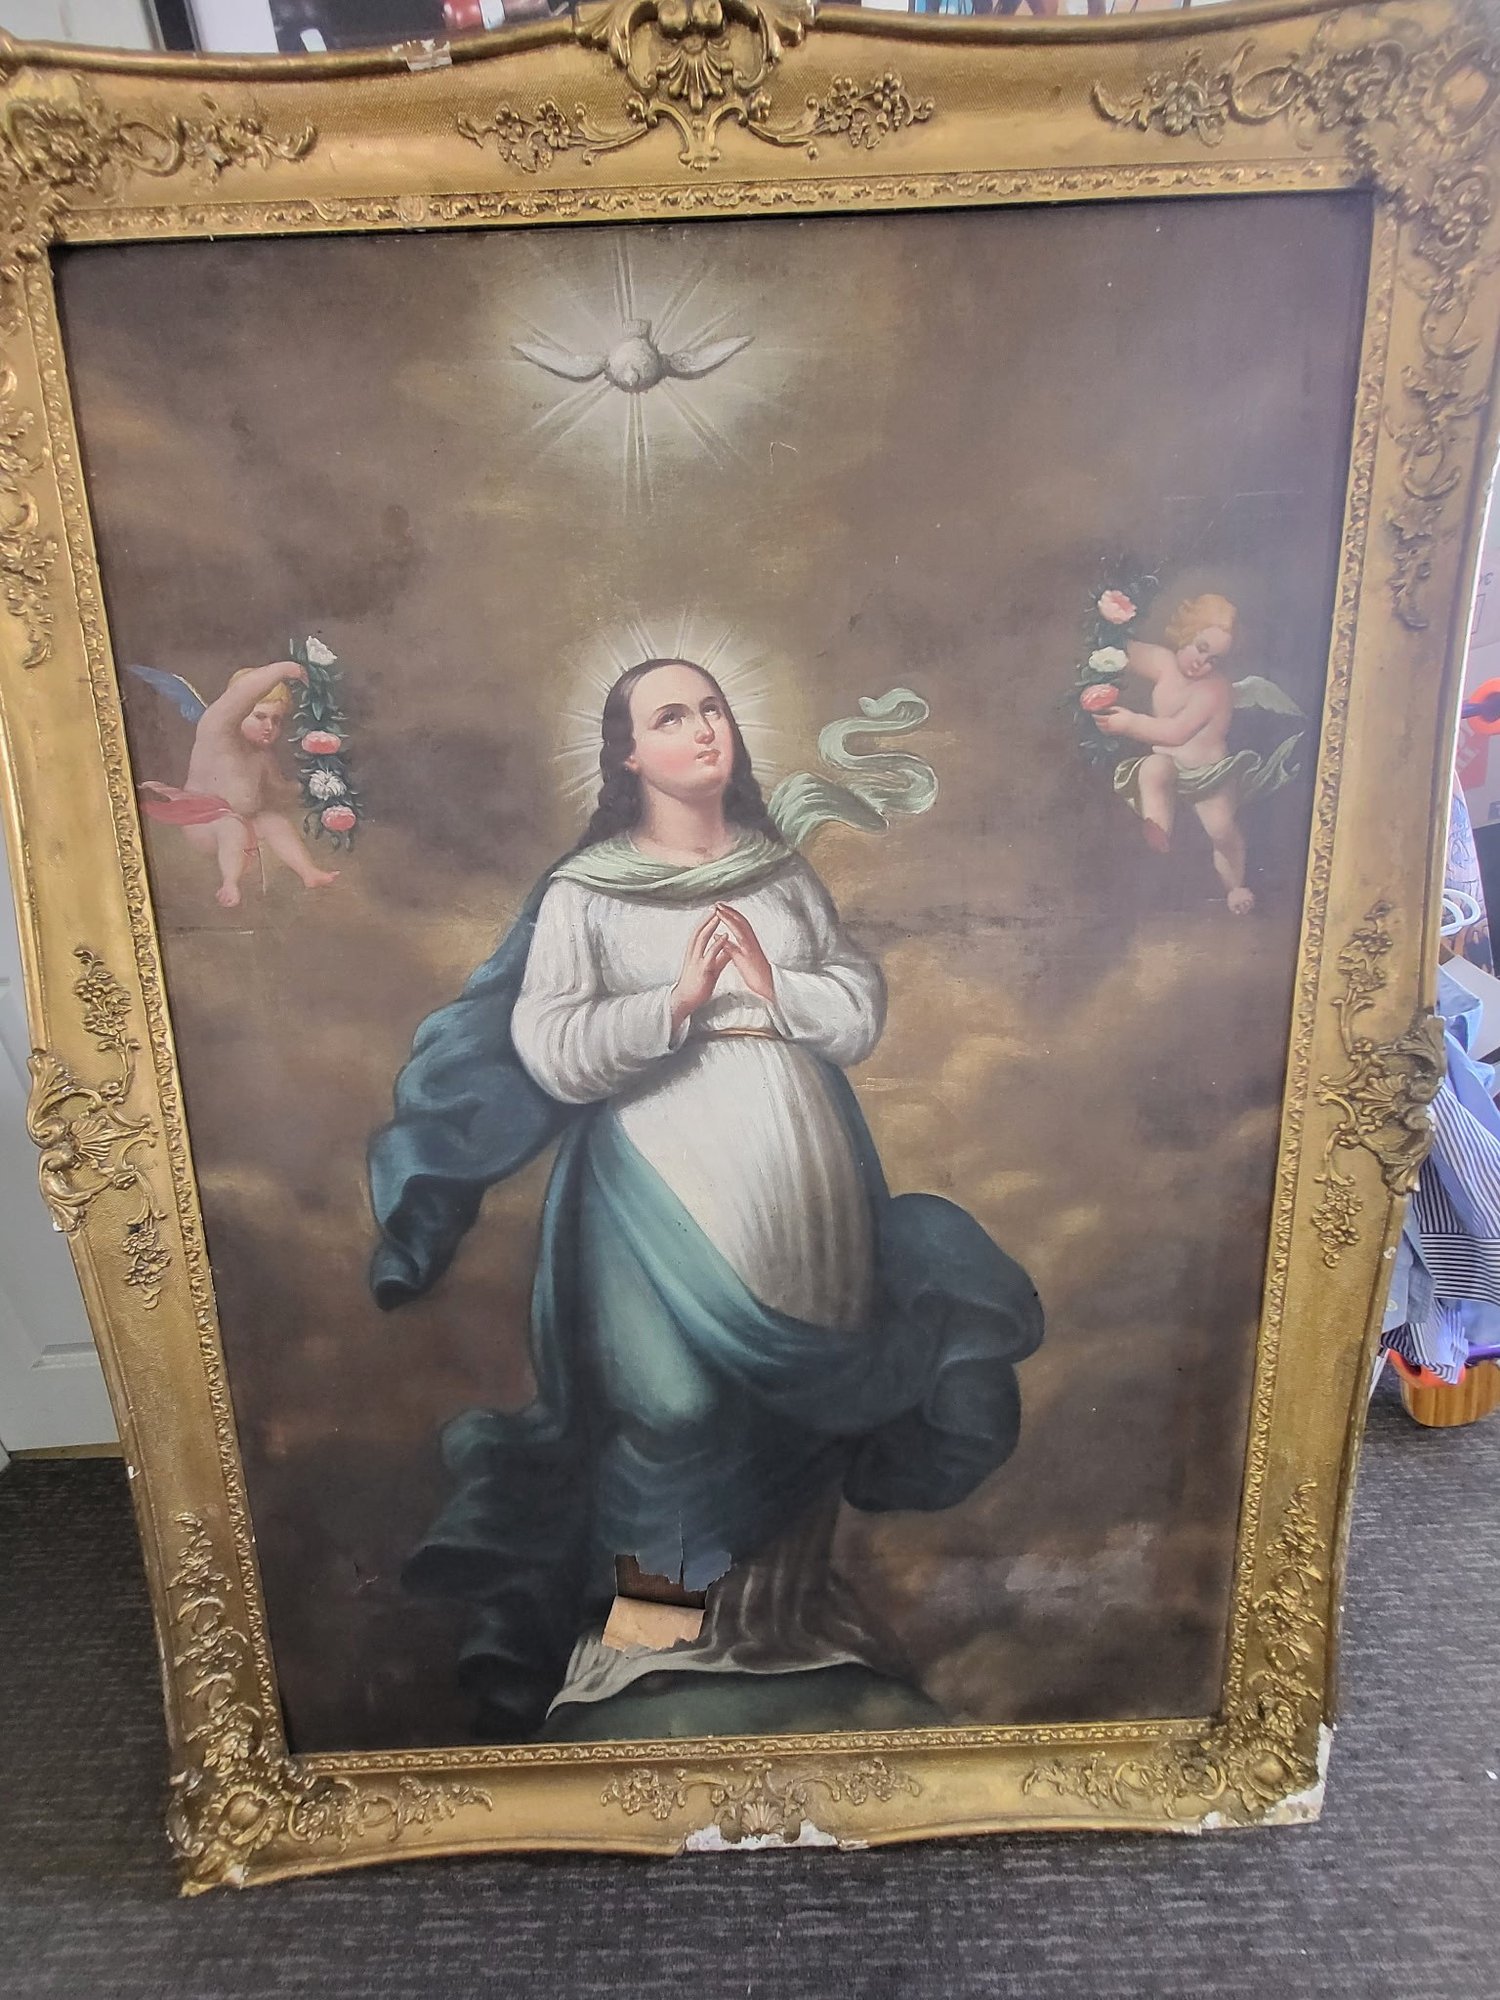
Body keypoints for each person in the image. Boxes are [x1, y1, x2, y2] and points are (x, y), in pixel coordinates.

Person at [368, 657, 1042, 1741]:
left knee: (790, 1414)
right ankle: (650, 1642)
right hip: (652, 1179)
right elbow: (550, 1047)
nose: (703, 728)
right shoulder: (587, 891)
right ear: (629, 754)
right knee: (668, 1411)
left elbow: (857, 1005)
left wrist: (776, 989)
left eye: (713, 708)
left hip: (804, 1179)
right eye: (671, 715)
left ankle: (777, 1632)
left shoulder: (780, 874)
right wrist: (672, 1004)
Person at [1093, 594, 1300, 915]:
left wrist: (1130, 723)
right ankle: (1158, 827)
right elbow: (1123, 652)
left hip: (1210, 773)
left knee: (1221, 829)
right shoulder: (1165, 663)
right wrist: (1110, 624)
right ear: (1185, 634)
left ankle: (1235, 886)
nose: (1201, 662)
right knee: (1153, 769)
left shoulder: (1215, 690)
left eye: (1213, 659)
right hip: (1170, 761)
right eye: (1200, 648)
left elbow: (1176, 732)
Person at [139, 660, 340, 909]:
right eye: (260, 716)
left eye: (277, 720)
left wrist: (311, 787)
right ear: (238, 713)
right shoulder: (217, 734)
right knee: (230, 825)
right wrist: (284, 669)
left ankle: (309, 873)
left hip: (243, 823)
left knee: (273, 821)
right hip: (203, 822)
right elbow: (240, 695)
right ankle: (230, 883)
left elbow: (279, 790)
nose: (269, 727)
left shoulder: (262, 757)